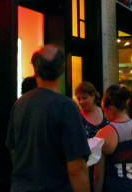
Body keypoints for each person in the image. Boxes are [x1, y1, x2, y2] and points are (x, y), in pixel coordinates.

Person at [6, 44, 90, 192]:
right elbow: (76, 168)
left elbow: (13, 150)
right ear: (62, 69)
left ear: (35, 71)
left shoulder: (19, 105)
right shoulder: (66, 107)